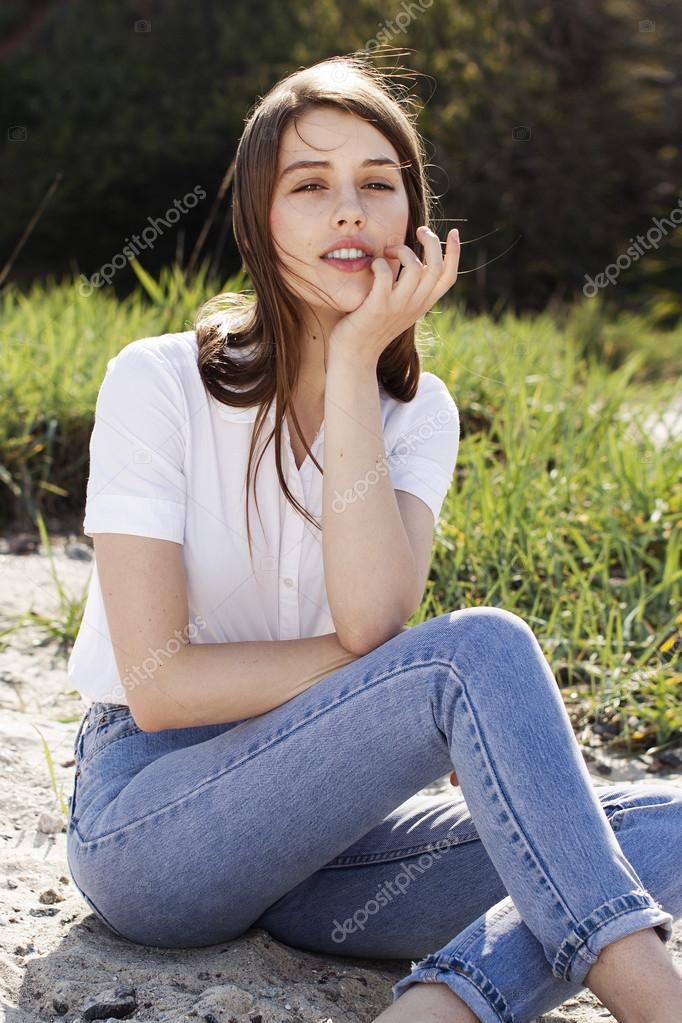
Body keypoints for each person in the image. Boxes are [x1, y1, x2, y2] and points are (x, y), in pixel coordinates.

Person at [66, 55, 682, 1023]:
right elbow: (160, 685)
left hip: (329, 858)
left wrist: (353, 365)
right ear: (257, 222)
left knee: (669, 827)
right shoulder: (157, 381)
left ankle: (445, 1004)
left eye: (377, 185)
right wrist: (389, 692)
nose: (349, 212)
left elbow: (370, 616)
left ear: (413, 215)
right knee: (476, 648)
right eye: (309, 187)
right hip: (158, 835)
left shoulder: (417, 411)